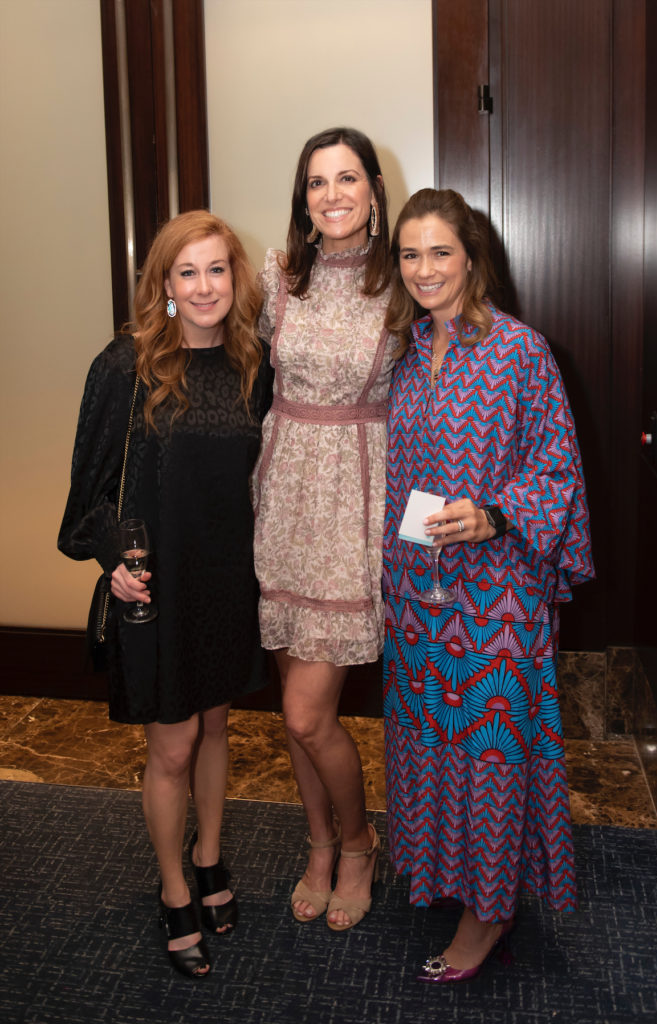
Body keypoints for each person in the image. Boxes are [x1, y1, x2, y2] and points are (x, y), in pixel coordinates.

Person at [382, 188, 595, 982]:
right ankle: (446, 872)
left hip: (496, 595)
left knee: (491, 749)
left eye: (440, 251)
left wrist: (496, 516)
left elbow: (558, 469)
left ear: (472, 256)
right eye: (410, 254)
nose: (424, 268)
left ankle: (491, 908)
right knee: (430, 739)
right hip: (417, 590)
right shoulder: (405, 353)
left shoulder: (518, 350)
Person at [58, 210, 272, 978]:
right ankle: (175, 888)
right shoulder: (126, 366)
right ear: (166, 285)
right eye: (188, 272)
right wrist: (112, 558)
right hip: (155, 586)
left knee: (217, 727)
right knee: (173, 744)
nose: (206, 285)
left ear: (235, 279)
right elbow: (85, 500)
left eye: (218, 269)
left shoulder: (255, 363)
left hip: (228, 581)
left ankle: (211, 858)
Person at [252, 127, 394, 930]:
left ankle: (361, 840)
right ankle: (318, 843)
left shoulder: (399, 282)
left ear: (374, 189)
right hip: (281, 502)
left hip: (354, 511)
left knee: (311, 713)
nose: (332, 195)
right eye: (316, 182)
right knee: (289, 708)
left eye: (347, 179)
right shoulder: (279, 278)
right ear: (302, 197)